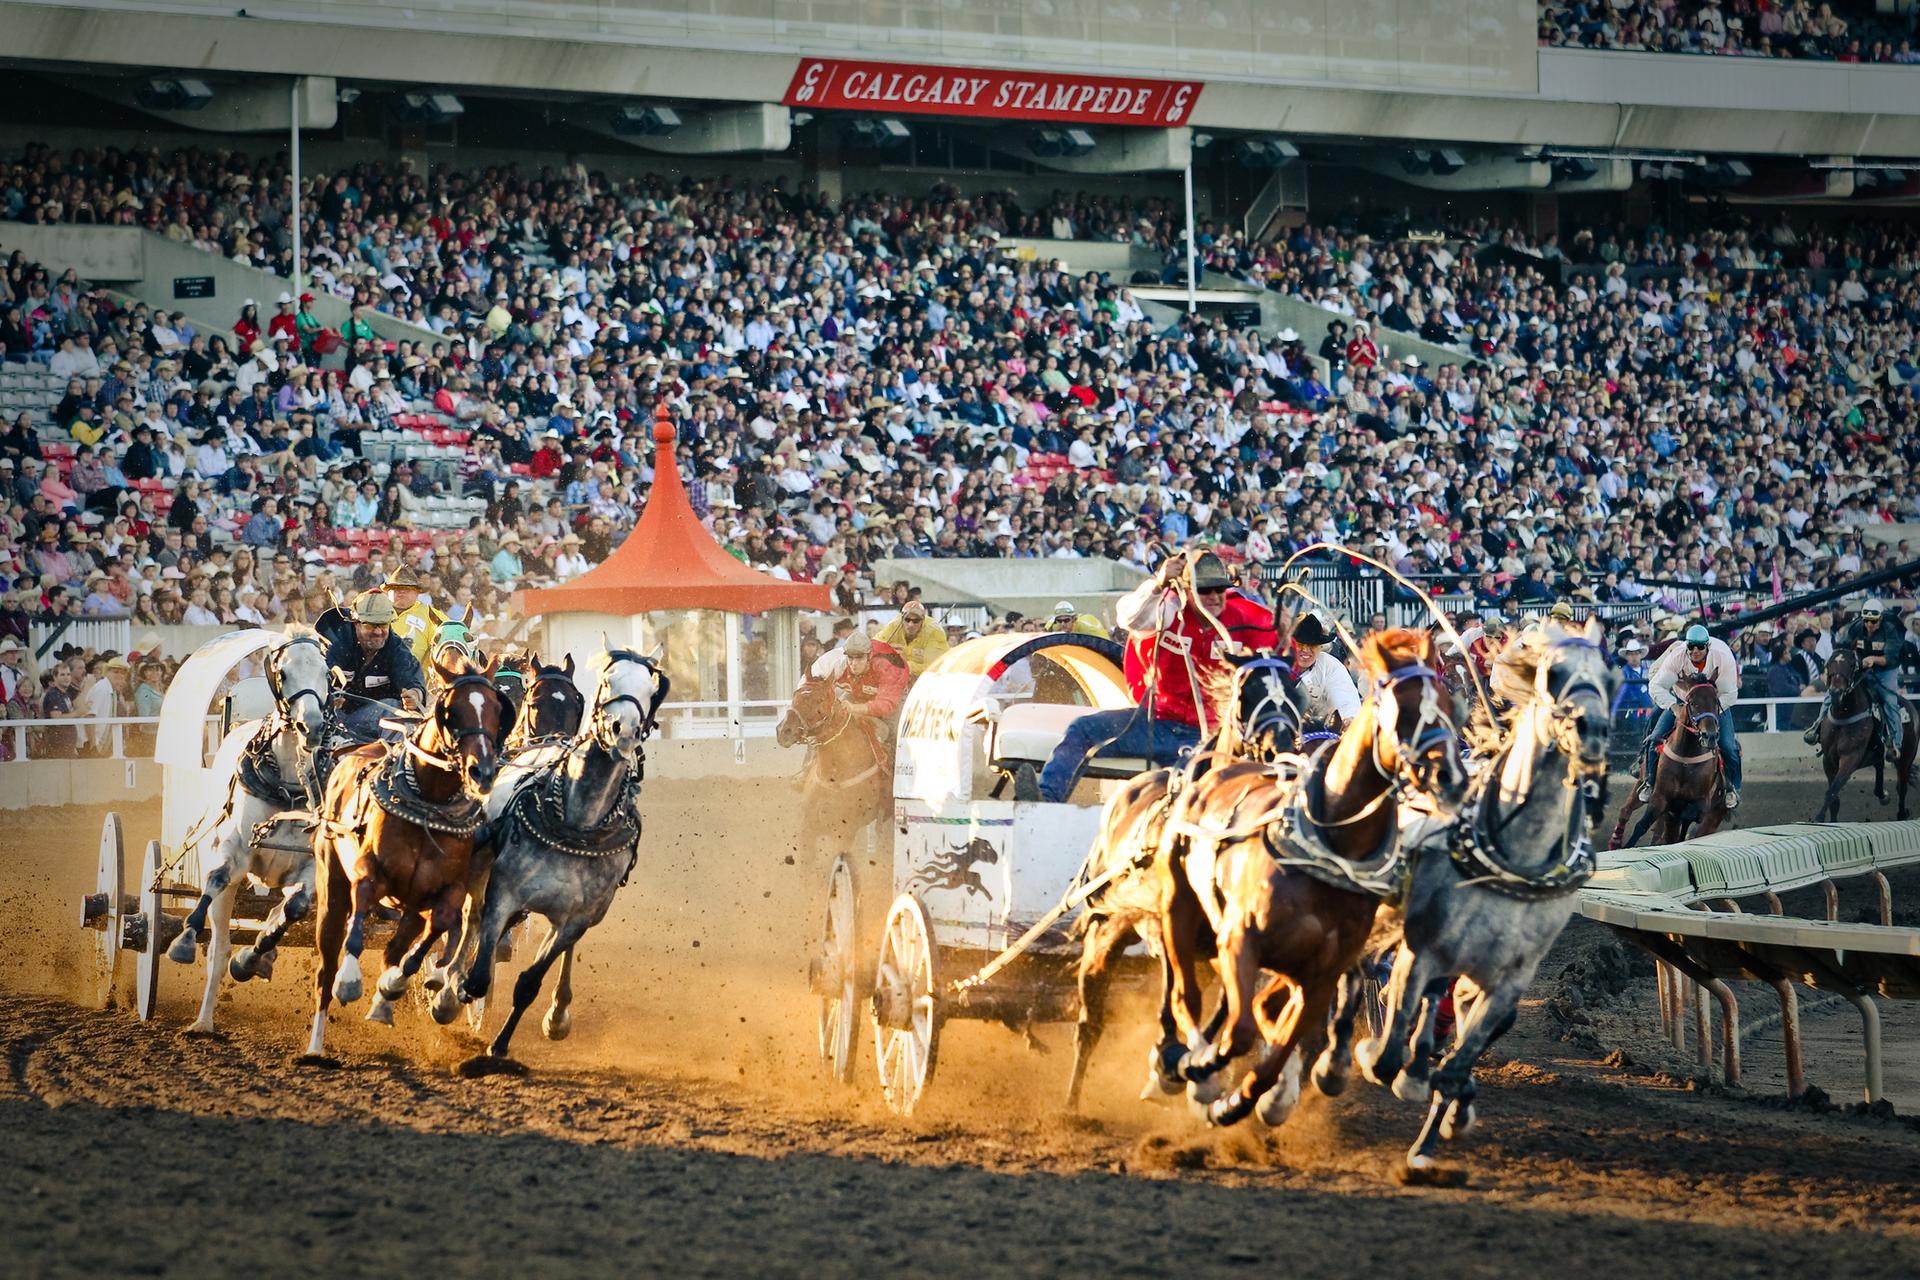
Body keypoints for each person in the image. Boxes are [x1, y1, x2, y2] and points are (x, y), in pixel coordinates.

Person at [1029, 549, 1269, 803]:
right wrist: (1158, 584)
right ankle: (1046, 801)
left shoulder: (1241, 622)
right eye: (1204, 590)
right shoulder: (1167, 609)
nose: (1213, 597)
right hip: (1154, 724)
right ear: (1186, 590)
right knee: (1082, 729)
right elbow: (1129, 617)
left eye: (1218, 590)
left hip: (1208, 736)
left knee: (1195, 790)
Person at [1642, 623, 1742, 809]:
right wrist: (1673, 707)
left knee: (1728, 746)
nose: (1695, 651)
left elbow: (1730, 694)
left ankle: (1732, 788)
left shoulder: (1723, 657)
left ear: (1707, 647)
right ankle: (1649, 783)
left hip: (1714, 704)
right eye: (1691, 647)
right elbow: (1656, 686)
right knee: (1655, 737)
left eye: (1700, 647)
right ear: (1686, 646)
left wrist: (1710, 714)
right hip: (1684, 703)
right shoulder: (1676, 657)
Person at [1806, 599, 1909, 757]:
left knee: (1889, 700)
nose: (1869, 625)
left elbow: (1890, 658)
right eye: (1866, 620)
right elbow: (1842, 647)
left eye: (1873, 621)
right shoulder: (1856, 626)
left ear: (1880, 619)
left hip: (1886, 670)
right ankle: (1817, 726)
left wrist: (1874, 659)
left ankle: (1896, 743)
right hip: (1861, 665)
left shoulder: (1891, 630)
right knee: (1833, 692)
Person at [325, 590, 427, 741]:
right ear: (356, 624)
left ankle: (392, 759)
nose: (378, 632)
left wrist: (415, 695)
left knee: (394, 708)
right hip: (332, 719)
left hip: (372, 720)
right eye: (371, 626)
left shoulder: (396, 648)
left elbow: (411, 679)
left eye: (383, 625)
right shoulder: (336, 643)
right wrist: (329, 697)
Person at [809, 630, 910, 743]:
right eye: (851, 658)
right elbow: (815, 687)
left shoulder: (888, 667)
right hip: (859, 692)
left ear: (869, 656)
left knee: (893, 735)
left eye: (859, 658)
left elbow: (886, 705)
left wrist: (855, 708)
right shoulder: (838, 663)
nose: (854, 663)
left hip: (893, 700)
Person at [1289, 611, 1361, 732]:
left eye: (1312, 645)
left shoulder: (1331, 665)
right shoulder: (1277, 665)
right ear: (1290, 644)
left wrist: (1348, 718)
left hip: (1320, 733)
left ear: (1320, 647)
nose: (1306, 650)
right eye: (1300, 644)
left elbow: (1343, 695)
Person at [382, 566, 447, 664]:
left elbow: (453, 637)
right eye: (396, 588)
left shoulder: (432, 615)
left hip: (417, 677)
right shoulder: (375, 612)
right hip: (377, 675)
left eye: (407, 588)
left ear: (418, 592)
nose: (402, 591)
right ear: (388, 592)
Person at [874, 599, 948, 677]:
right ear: (902, 618)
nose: (910, 625)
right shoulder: (894, 625)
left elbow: (935, 667)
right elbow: (874, 646)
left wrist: (903, 665)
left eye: (916, 621)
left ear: (923, 620)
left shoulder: (934, 632)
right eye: (907, 620)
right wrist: (888, 653)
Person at [1612, 636, 1654, 714]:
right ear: (1626, 656)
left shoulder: (1647, 671)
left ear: (1640, 655)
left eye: (1636, 653)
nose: (1634, 657)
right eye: (1631, 654)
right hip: (1631, 713)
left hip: (1649, 711)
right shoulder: (1623, 673)